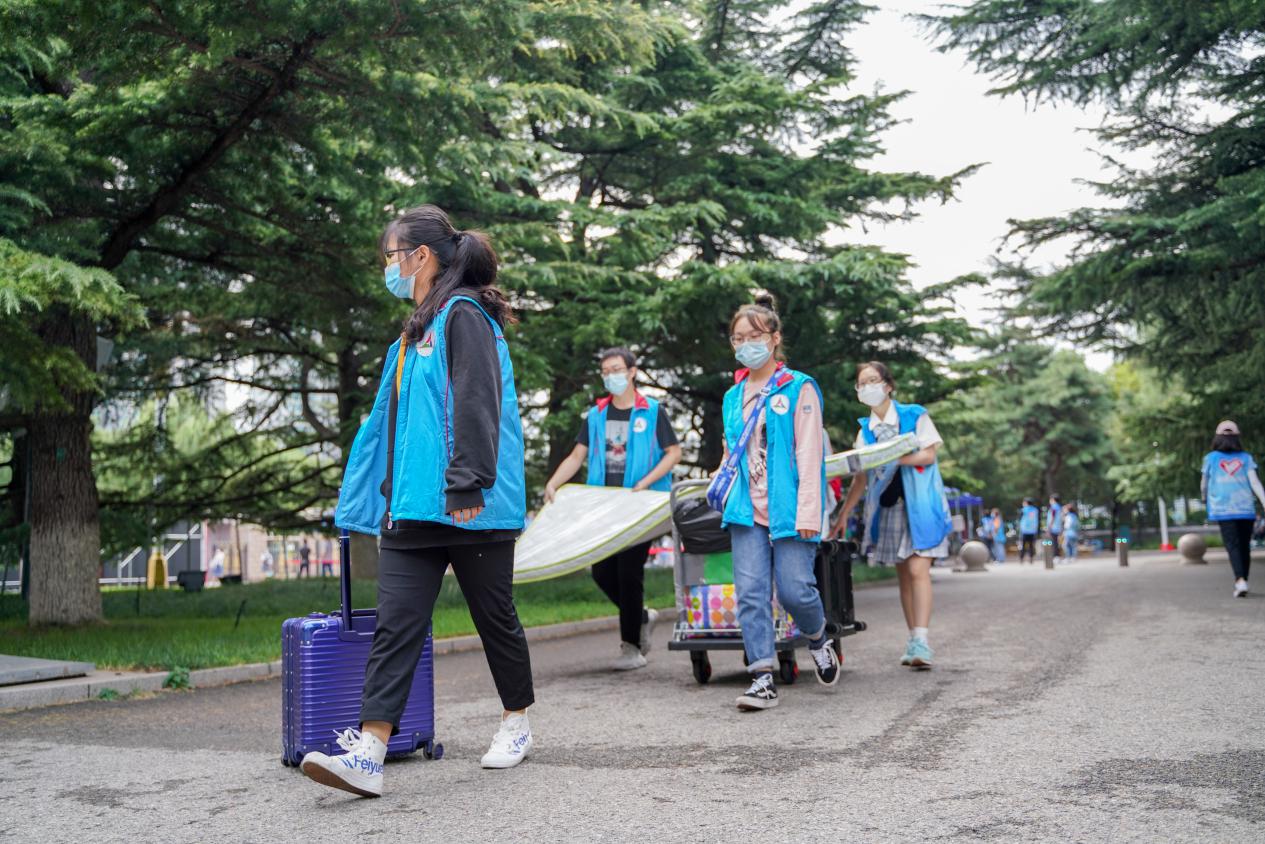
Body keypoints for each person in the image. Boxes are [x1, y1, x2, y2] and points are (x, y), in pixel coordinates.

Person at [300, 205, 534, 798]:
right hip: (411, 507)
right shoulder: (414, 333)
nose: (388, 267)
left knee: (494, 618)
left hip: (470, 505)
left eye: (391, 256)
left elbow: (477, 400)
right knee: (396, 627)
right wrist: (383, 496)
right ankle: (369, 752)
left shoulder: (464, 315)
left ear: (420, 256)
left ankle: (516, 721)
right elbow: (401, 425)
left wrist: (468, 481)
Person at [714, 295, 838, 711]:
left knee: (794, 591)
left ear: (774, 337)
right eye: (738, 338)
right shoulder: (733, 396)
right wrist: (720, 477)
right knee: (750, 593)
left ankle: (818, 637)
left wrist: (810, 511)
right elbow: (732, 450)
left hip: (790, 507)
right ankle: (762, 678)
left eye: (754, 336)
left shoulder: (799, 387)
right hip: (746, 507)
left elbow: (809, 453)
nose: (746, 344)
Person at [543, 347, 682, 670]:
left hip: (639, 507)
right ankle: (641, 616)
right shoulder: (596, 415)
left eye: (617, 369)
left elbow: (673, 453)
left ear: (632, 372)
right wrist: (554, 483)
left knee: (629, 572)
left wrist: (645, 482)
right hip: (605, 508)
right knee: (602, 571)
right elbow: (577, 456)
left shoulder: (652, 411)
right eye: (605, 372)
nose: (611, 376)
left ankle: (631, 647)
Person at [832, 361, 953, 670]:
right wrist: (843, 514)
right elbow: (860, 478)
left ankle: (922, 639)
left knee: (917, 569)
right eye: (862, 383)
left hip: (921, 504)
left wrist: (894, 457)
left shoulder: (914, 415)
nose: (867, 387)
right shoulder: (865, 431)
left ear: (888, 385)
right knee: (904, 575)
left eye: (873, 380)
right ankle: (913, 639)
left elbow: (929, 454)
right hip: (889, 509)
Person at [1201, 420, 1265, 597]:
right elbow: (1254, 482)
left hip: (1223, 509)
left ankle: (1240, 580)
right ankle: (1243, 580)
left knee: (1233, 545)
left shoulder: (1210, 458)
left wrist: (1204, 498)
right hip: (1245, 508)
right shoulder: (1246, 458)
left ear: (1217, 438)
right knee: (1244, 546)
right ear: (1237, 438)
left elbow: (1204, 483)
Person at [1018, 498, 1039, 564]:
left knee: (1023, 545)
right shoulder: (1035, 510)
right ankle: (1031, 558)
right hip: (1033, 530)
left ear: (1026, 503)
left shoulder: (1023, 510)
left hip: (1024, 530)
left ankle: (1021, 558)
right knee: (1031, 545)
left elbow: (1020, 519)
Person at [1045, 494, 1063, 563]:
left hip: (1053, 528)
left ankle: (1056, 556)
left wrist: (1049, 527)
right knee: (1057, 542)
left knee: (1054, 543)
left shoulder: (1054, 507)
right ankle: (1057, 556)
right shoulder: (1059, 507)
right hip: (1058, 527)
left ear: (1053, 500)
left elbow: (1052, 517)